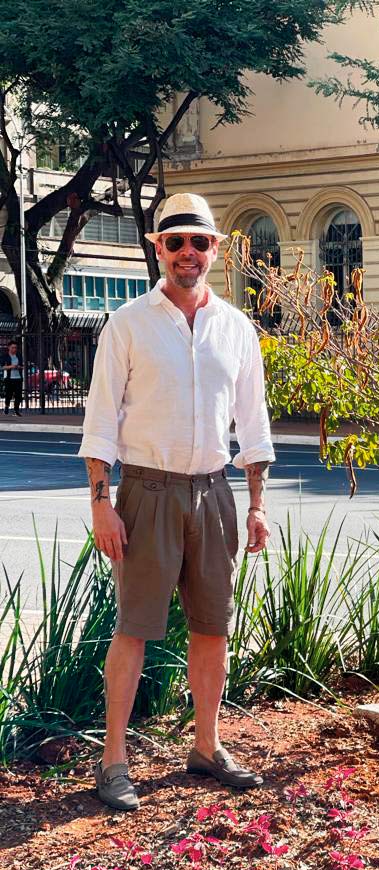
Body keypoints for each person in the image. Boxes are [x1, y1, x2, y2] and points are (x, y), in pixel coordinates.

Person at [79, 193, 275, 812]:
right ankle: (114, 759)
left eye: (199, 242)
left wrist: (256, 504)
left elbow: (254, 424)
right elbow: (101, 421)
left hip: (215, 492)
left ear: (216, 249)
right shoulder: (128, 324)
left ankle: (207, 745)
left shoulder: (238, 329)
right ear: (156, 247)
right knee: (135, 627)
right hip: (147, 492)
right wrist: (101, 502)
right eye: (175, 242)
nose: (187, 253)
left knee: (212, 625)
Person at [2, 342, 23, 416]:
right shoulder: (5, 356)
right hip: (9, 378)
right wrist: (11, 367)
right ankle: (6, 406)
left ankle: (16, 410)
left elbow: (22, 366)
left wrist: (19, 367)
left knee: (18, 395)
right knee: (8, 394)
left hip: (18, 378)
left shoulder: (19, 356)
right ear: (9, 348)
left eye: (15, 348)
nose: (14, 349)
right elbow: (2, 367)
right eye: (13, 347)